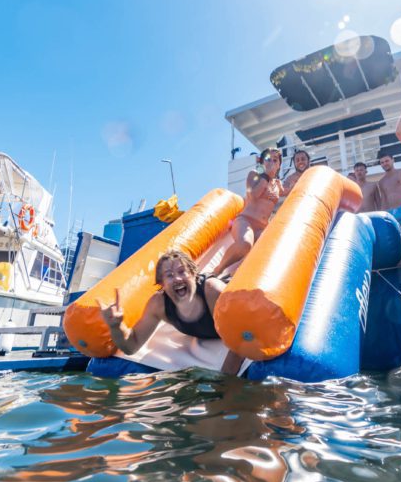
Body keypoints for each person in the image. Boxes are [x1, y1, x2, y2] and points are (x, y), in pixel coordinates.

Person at [98, 249, 243, 373]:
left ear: (193, 274)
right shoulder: (159, 304)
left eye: (182, 272)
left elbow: (241, 338)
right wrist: (116, 326)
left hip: (236, 294)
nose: (177, 279)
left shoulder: (212, 291)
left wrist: (223, 383)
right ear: (162, 284)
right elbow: (131, 346)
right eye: (169, 275)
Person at [212, 147, 284, 277]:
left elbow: (293, 189)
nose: (272, 162)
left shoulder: (278, 184)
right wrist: (266, 176)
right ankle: (217, 270)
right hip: (246, 221)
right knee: (244, 244)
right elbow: (254, 195)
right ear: (262, 162)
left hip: (262, 228)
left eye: (275, 160)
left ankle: (235, 276)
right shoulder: (254, 175)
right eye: (268, 159)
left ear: (279, 164)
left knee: (268, 249)